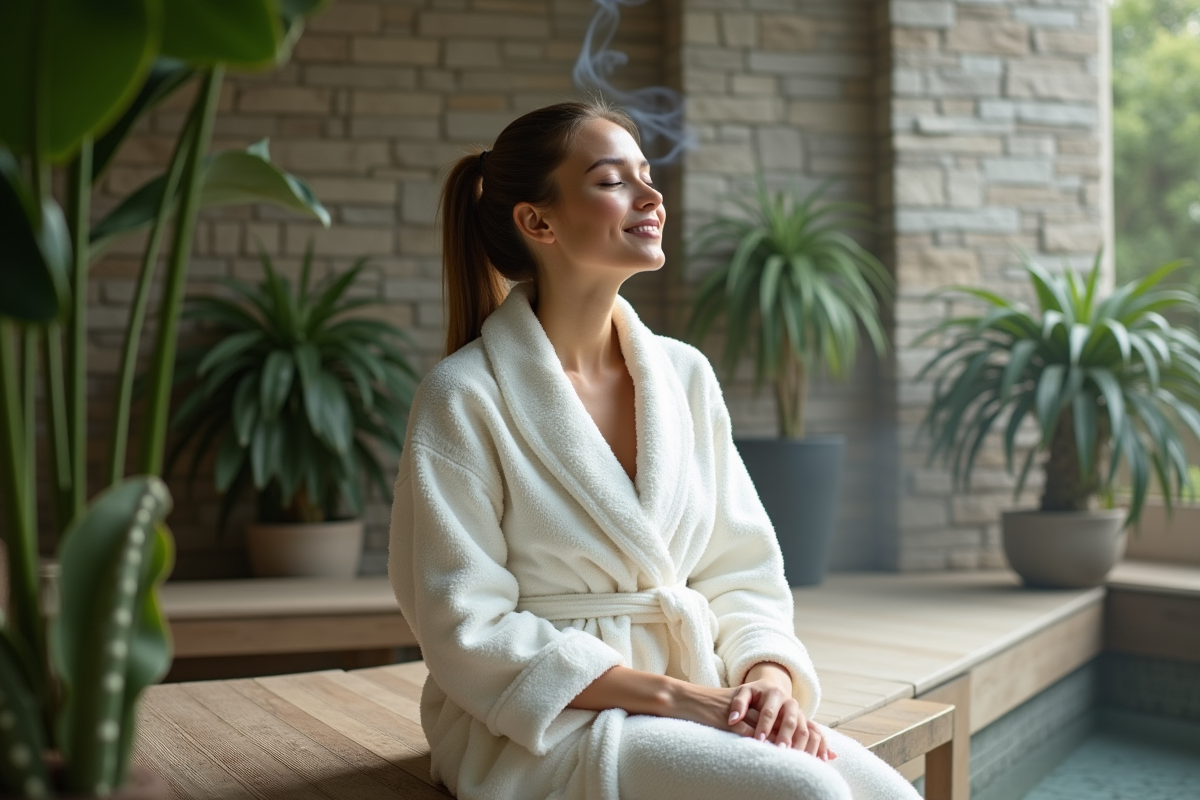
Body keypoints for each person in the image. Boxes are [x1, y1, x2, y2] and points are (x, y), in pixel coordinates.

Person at [387, 100, 921, 800]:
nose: (652, 196)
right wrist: (680, 699)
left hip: (698, 692)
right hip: (538, 724)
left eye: (647, 174)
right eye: (614, 181)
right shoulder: (463, 397)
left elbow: (743, 569)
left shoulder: (684, 376)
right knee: (808, 793)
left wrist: (768, 682)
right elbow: (465, 626)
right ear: (537, 221)